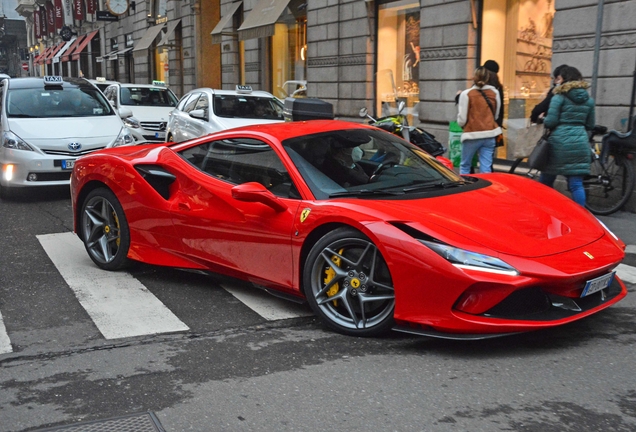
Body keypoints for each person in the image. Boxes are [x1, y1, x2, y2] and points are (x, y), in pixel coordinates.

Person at [540, 66, 595, 207]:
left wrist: (543, 119)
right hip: (580, 142)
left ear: (564, 79)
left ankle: (545, 209)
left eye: (559, 78)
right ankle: (582, 217)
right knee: (576, 184)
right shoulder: (589, 101)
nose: (557, 81)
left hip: (559, 143)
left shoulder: (559, 98)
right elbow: (590, 125)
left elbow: (551, 122)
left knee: (545, 180)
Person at [456, 66, 502, 175]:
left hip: (472, 134)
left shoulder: (466, 94)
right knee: (486, 168)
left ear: (474, 78)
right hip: (490, 134)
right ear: (487, 78)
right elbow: (496, 115)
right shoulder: (495, 93)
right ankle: (486, 191)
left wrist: (463, 124)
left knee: (465, 165)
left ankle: (466, 189)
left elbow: (462, 119)